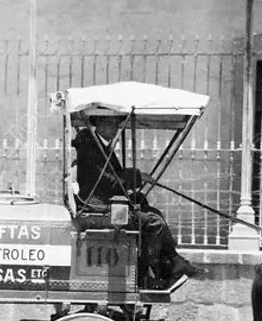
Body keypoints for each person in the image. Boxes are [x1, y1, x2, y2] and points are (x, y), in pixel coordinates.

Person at [71, 121, 204, 288]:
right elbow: (110, 181)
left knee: (143, 202)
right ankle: (145, 277)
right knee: (154, 222)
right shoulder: (91, 148)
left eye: (116, 124)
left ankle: (173, 262)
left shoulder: (96, 145)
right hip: (98, 210)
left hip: (103, 205)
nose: (115, 128)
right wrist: (138, 176)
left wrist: (138, 175)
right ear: (100, 123)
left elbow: (113, 176)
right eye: (111, 123)